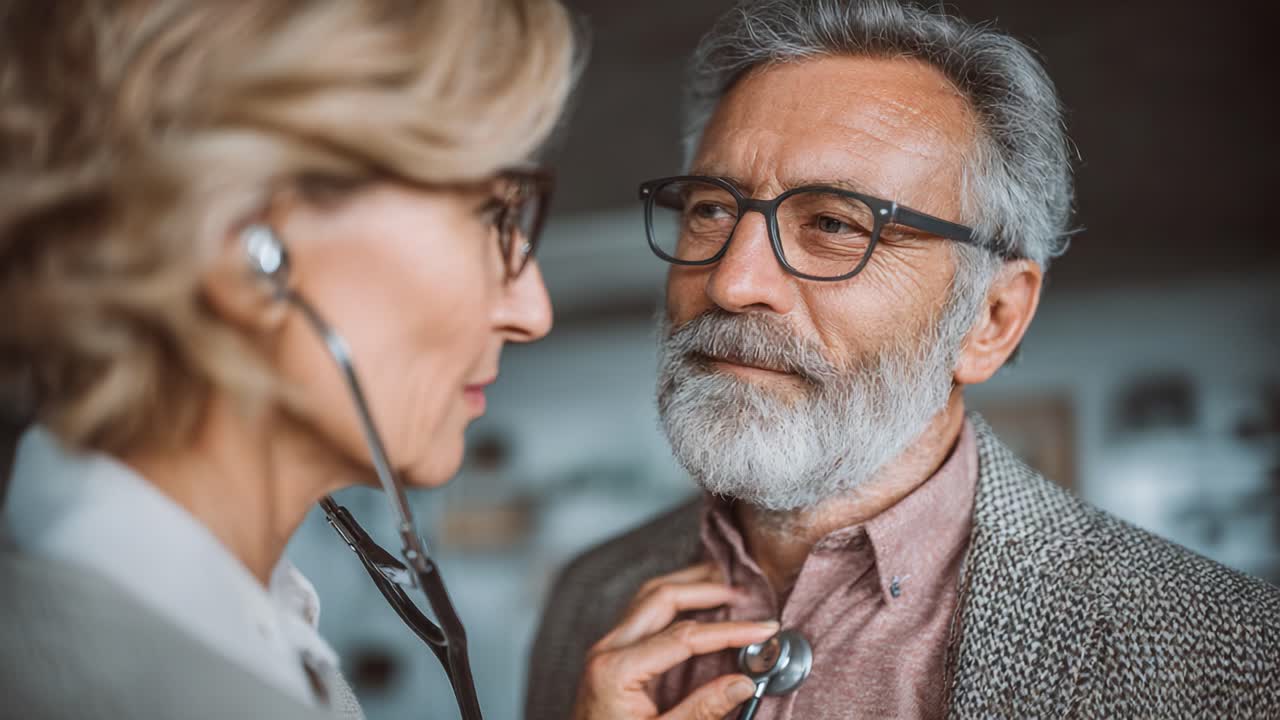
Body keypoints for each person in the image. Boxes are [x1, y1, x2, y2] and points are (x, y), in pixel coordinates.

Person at [526, 1, 1280, 718]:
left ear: (993, 318)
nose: (732, 281)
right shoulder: (586, 602)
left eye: (832, 223)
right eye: (712, 210)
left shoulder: (1226, 654)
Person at [0, 1, 576, 718]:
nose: (533, 311)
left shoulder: (256, 637)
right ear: (248, 248)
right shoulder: (103, 690)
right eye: (495, 216)